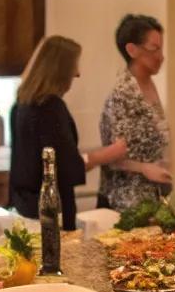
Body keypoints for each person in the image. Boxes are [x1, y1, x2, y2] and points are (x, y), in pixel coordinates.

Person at [9, 35, 128, 230]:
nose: (77, 73)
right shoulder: (51, 108)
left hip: (25, 209)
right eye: (73, 66)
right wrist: (110, 153)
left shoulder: (21, 105)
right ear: (59, 70)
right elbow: (66, 166)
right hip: (50, 215)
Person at [97, 13, 173, 213]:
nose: (161, 57)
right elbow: (114, 156)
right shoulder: (123, 92)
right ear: (132, 50)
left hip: (151, 200)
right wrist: (144, 168)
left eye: (161, 49)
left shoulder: (149, 83)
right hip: (124, 204)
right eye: (154, 49)